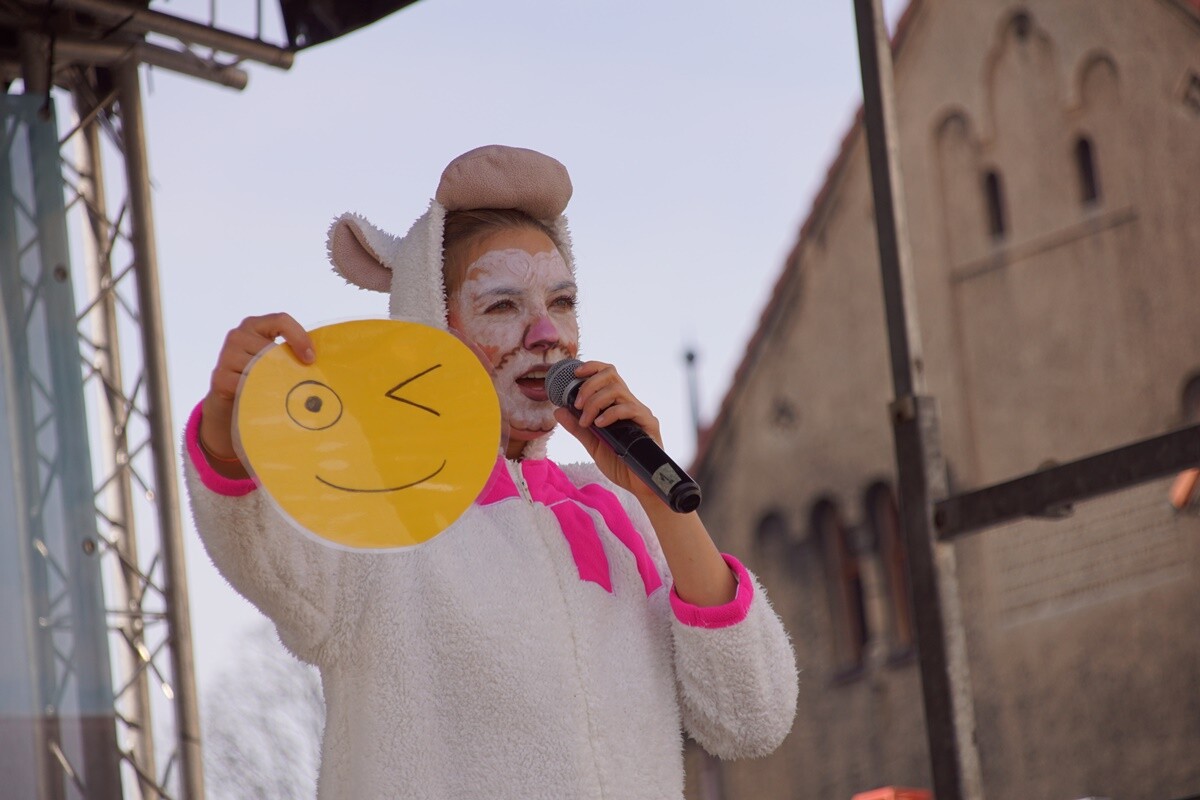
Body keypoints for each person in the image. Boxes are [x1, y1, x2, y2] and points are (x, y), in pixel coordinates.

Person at [184, 144, 798, 799]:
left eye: (562, 301)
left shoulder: (615, 509)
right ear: (432, 328)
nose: (546, 333)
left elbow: (751, 716)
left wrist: (658, 502)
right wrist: (227, 425)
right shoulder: (381, 501)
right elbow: (264, 553)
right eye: (503, 306)